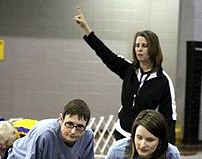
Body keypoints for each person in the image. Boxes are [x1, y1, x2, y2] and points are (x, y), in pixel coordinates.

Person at [74, 7, 177, 144]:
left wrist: (169, 150)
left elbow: (169, 117)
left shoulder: (163, 81)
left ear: (153, 49)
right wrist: (86, 29)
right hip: (121, 133)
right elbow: (106, 54)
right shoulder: (128, 69)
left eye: (144, 46)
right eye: (137, 45)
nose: (139, 49)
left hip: (143, 138)